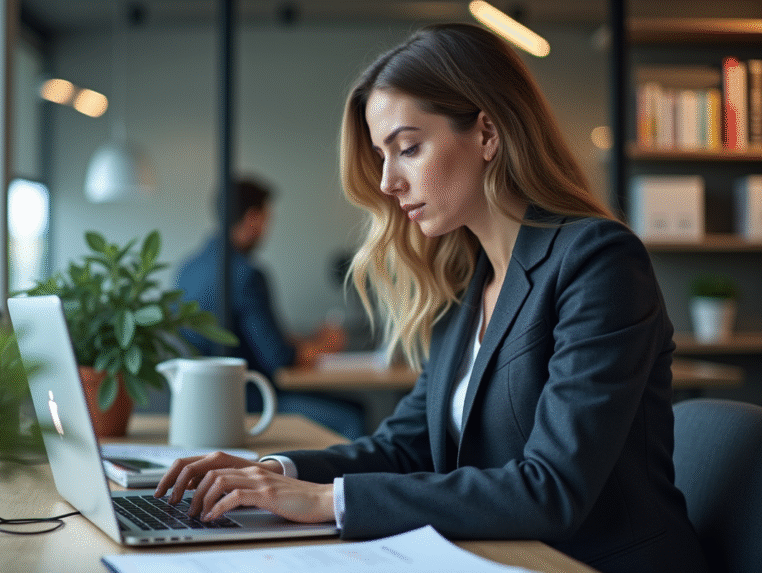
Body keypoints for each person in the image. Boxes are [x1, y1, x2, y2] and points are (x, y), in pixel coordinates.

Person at [158, 23, 708, 573]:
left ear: (487, 134)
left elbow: (552, 489)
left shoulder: (597, 261)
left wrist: (328, 502)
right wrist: (277, 472)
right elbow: (407, 446)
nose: (388, 181)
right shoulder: (467, 284)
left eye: (408, 148)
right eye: (382, 156)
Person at [175, 177, 365, 440]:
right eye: (267, 219)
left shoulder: (187, 270)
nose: (267, 229)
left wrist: (308, 340)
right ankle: (341, 483)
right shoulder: (246, 275)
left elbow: (253, 340)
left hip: (202, 403)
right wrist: (325, 345)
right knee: (354, 414)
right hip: (251, 402)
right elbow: (278, 357)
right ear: (253, 218)